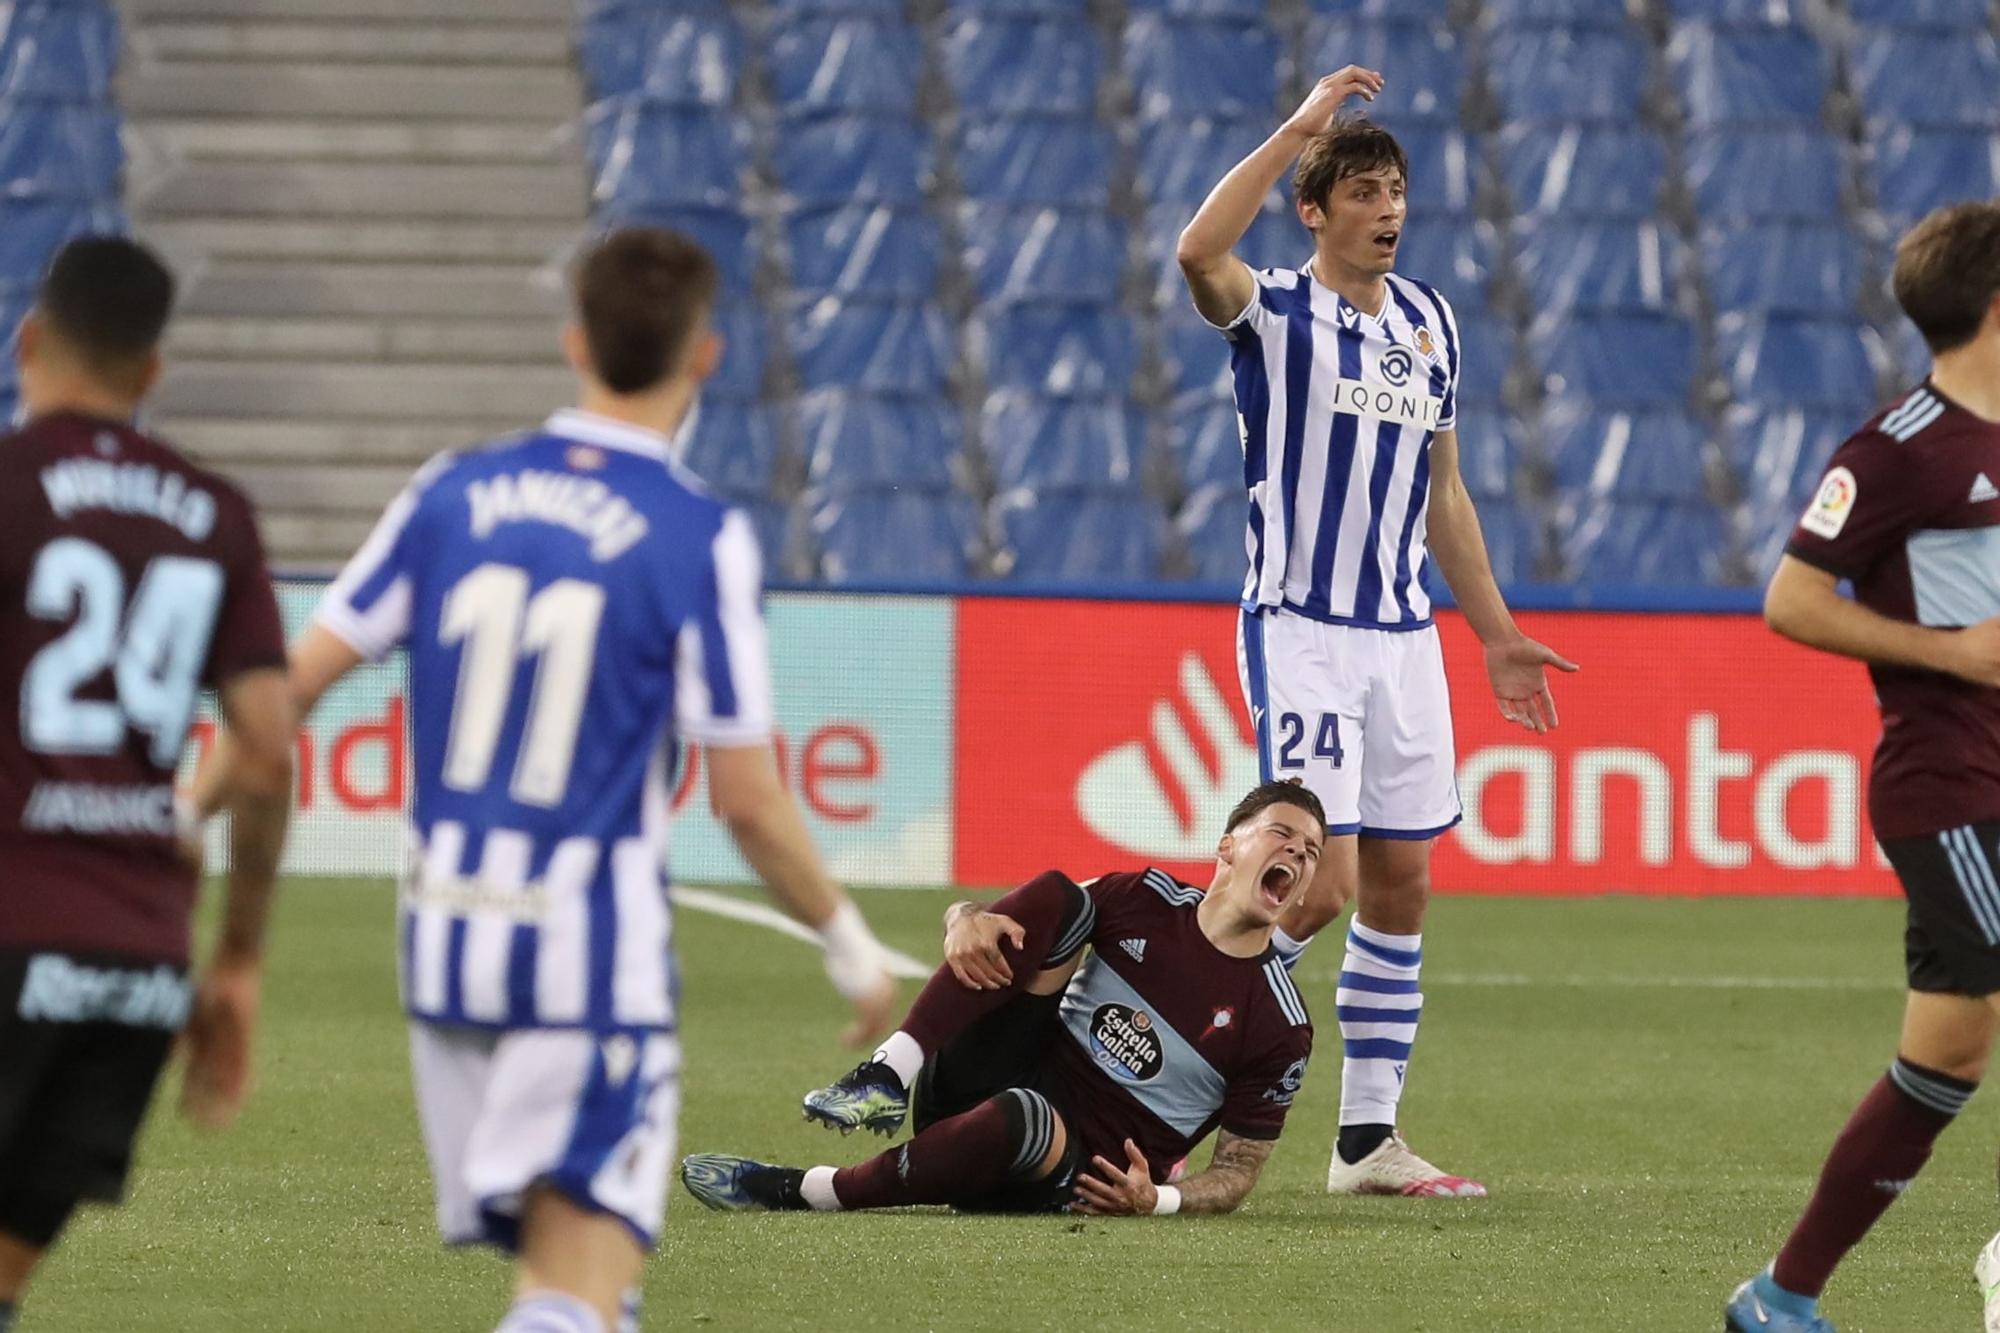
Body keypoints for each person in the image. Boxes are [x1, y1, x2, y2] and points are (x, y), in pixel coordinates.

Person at [215, 227, 897, 1333]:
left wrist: (168, 815)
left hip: (442, 954)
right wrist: (843, 932)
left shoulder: (451, 493)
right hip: (582, 965)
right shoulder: (694, 533)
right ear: (705, 357)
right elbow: (744, 797)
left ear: (573, 342)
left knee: (583, 1290)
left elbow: (275, 697)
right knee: (572, 1288)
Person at [1173, 67, 1575, 1198]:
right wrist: (1295, 128)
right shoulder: (1271, 311)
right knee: (1319, 883)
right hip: (1300, 626)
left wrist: (1491, 631)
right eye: (1362, 190)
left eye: (1395, 189)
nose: (1387, 209)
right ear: (1315, 210)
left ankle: (1364, 1142)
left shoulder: (1431, 321)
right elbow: (1194, 252)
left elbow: (1443, 490)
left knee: (1401, 886)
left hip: (1404, 639)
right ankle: (1180, 1049)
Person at [0, 236, 295, 1332]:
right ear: (151, 374)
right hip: (131, 967)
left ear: (27, 342)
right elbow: (265, 749)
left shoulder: (10, 485)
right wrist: (237, 958)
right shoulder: (214, 514)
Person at [1721, 202, 2000, 1332]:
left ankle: (1779, 1298)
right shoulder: (1897, 448)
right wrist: (1949, 653)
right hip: (1946, 787)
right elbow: (1789, 598)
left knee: (1938, 1065)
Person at [680, 779, 1321, 1218]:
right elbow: (1015, 921)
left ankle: (805, 1190)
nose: (1298, 851)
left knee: (1023, 1114)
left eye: (1312, 851)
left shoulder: (1278, 1024)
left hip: (1055, 1164)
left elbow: (1239, 1170)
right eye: (1282, 834)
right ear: (1229, 846)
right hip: (973, 1082)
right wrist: (963, 916)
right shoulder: (1144, 897)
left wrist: (1160, 1198)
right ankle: (886, 1071)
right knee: (1062, 897)